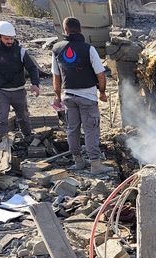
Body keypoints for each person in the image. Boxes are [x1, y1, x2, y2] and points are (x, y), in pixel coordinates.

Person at [51, 17, 112, 175]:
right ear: (80, 30)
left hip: (68, 97)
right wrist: (103, 92)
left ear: (65, 30)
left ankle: (78, 161)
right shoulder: (88, 49)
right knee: (91, 129)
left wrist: (57, 97)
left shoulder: (57, 49)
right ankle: (95, 165)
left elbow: (56, 77)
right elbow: (101, 74)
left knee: (72, 129)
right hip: (87, 98)